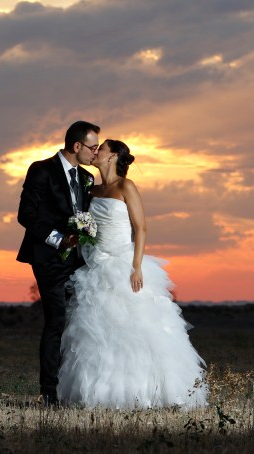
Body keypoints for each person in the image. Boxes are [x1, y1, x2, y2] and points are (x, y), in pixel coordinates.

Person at [57, 139, 207, 409]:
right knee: (97, 331)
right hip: (95, 267)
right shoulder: (92, 188)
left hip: (124, 263)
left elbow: (141, 228)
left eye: (100, 148)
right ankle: (104, 392)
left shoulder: (126, 186)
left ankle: (152, 391)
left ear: (112, 156)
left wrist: (136, 266)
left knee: (137, 327)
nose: (95, 152)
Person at [16, 120, 100, 406]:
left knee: (79, 322)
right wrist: (58, 239)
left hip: (80, 261)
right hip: (49, 259)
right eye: (93, 147)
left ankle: (73, 388)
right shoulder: (41, 170)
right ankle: (49, 392)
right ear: (77, 146)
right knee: (57, 321)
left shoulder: (87, 178)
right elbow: (26, 214)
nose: (96, 152)